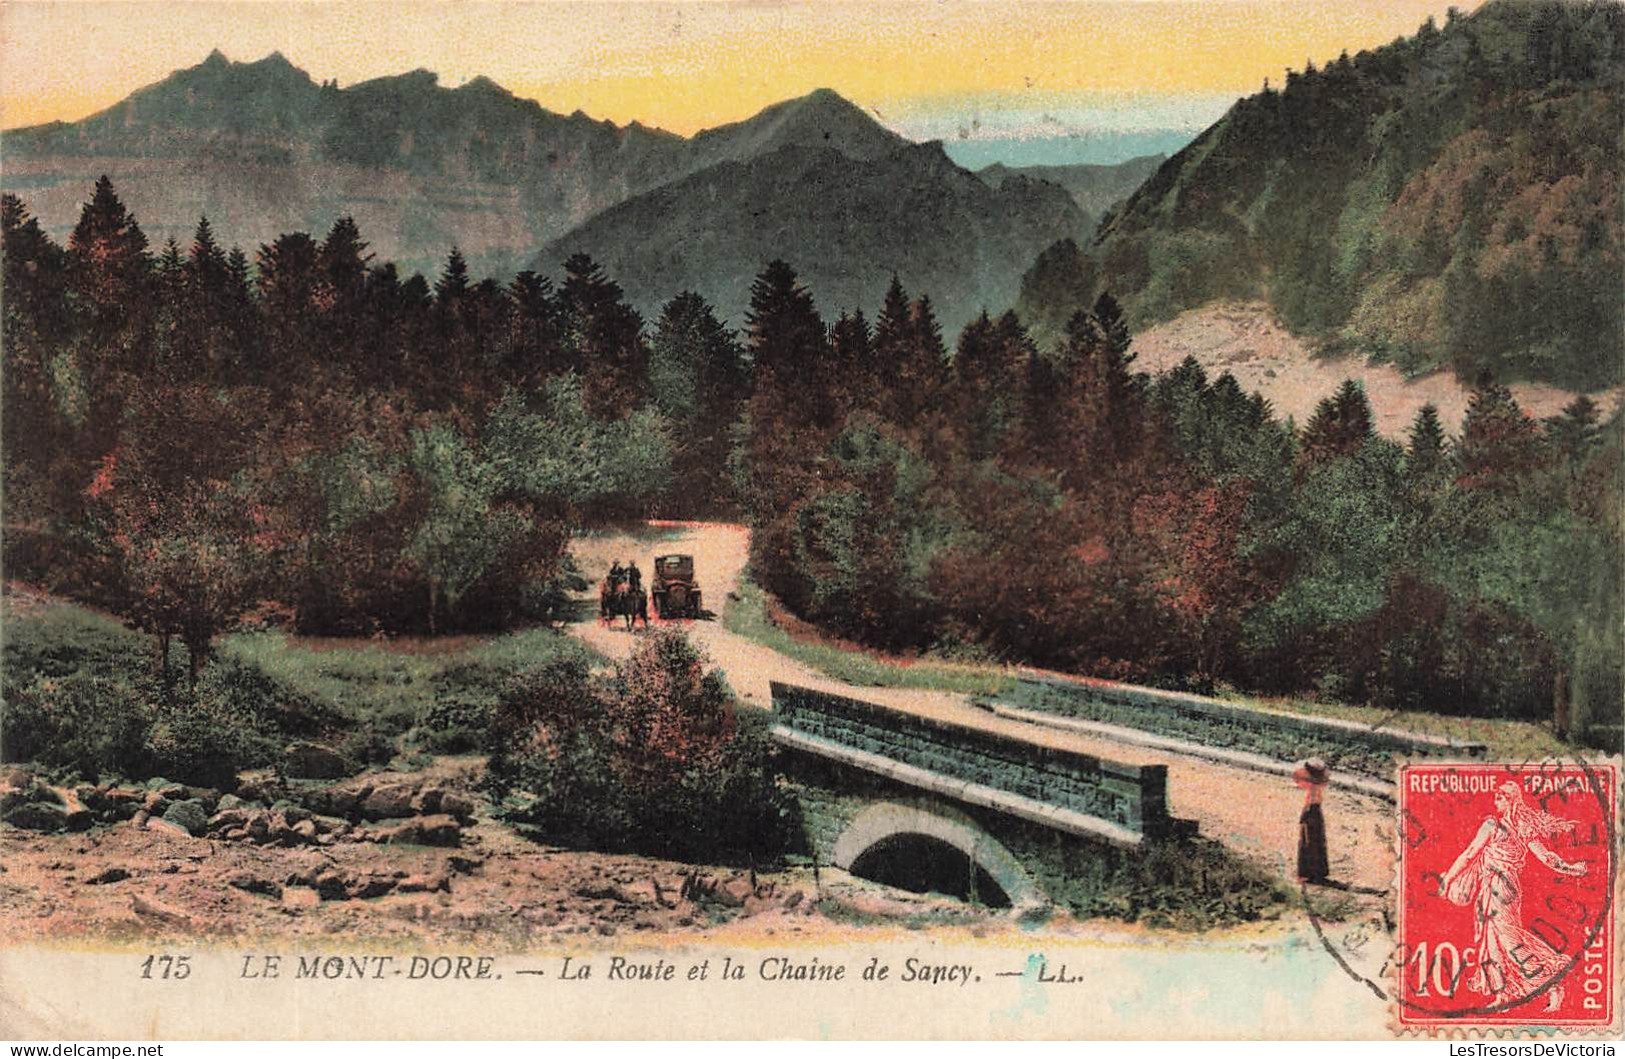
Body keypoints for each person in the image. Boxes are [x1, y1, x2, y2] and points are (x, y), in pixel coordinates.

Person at [1439, 781, 1588, 1011]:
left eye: (1499, 797)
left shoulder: (1492, 826)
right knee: (1493, 943)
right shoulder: (1522, 829)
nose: (1495, 801)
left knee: (1510, 943)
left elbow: (1469, 855)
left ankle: (1550, 984)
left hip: (1498, 888)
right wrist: (1571, 868)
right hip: (1505, 888)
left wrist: (1447, 879)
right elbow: (1547, 857)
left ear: (1509, 800)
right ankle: (1503, 995)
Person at [1293, 758, 1330, 885]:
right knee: (1318, 841)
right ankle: (1318, 872)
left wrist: (1303, 816)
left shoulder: (1311, 789)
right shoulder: (1319, 787)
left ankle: (1308, 873)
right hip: (1317, 811)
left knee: (1307, 842)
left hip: (1310, 811)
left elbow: (1308, 804)